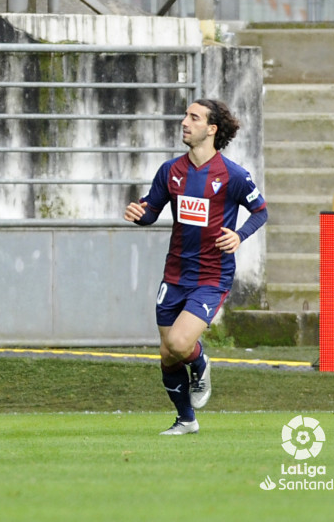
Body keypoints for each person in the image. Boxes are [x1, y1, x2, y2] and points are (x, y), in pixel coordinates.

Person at [123, 99, 267, 435]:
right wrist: (137, 215)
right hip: (174, 273)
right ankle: (186, 419)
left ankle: (201, 362)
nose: (184, 122)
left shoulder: (233, 175)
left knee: (179, 343)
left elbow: (261, 211)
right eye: (186, 116)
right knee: (168, 353)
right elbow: (151, 211)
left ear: (211, 129)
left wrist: (239, 235)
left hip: (211, 276)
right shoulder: (170, 171)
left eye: (194, 117)